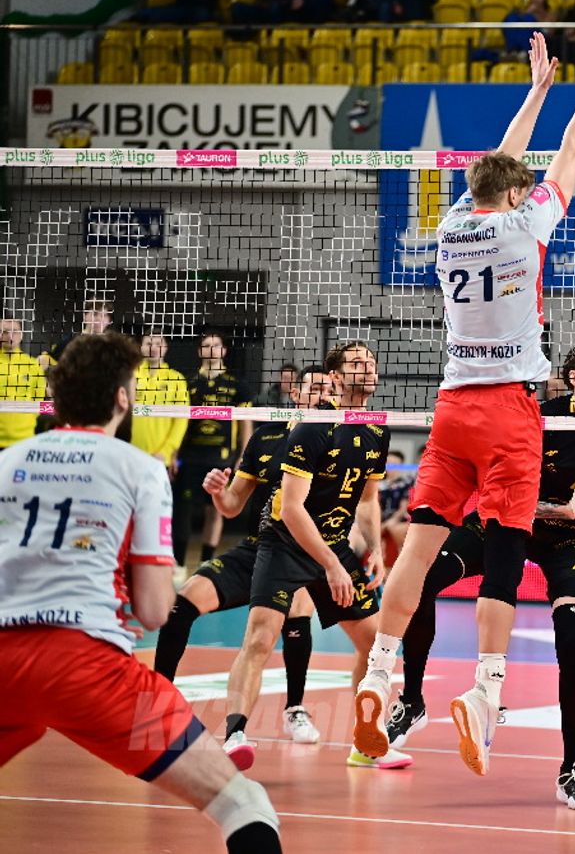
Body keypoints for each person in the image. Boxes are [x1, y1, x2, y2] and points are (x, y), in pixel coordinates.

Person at [354, 25, 575, 775]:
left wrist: (534, 92)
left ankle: (379, 673)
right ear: (516, 196)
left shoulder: (452, 226)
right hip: (508, 412)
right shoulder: (527, 223)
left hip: (452, 408)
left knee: (421, 543)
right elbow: (573, 151)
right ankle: (485, 691)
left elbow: (498, 165)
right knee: (504, 554)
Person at [0, 333, 283, 853]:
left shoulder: (8, 461)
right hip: (86, 664)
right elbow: (155, 611)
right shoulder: (140, 469)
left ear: (55, 396)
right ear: (122, 398)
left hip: (3, 657)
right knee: (243, 804)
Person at [386, 343, 575, 808]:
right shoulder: (541, 420)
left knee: (573, 641)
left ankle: (571, 767)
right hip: (509, 523)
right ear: (574, 379)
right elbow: (504, 498)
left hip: (574, 542)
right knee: (422, 581)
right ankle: (412, 700)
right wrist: (565, 509)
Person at [222, 342, 394, 771]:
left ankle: (365, 742)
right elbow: (293, 509)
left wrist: (374, 547)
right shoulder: (313, 427)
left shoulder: (377, 430)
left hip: (335, 545)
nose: (368, 367)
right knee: (260, 637)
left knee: (375, 645)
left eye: (371, 361)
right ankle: (235, 735)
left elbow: (367, 499)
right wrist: (332, 565)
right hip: (286, 544)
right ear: (336, 377)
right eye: (356, 362)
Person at [153, 367, 338, 757]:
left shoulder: (340, 442)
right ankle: (159, 701)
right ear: (296, 394)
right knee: (181, 604)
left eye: (328, 388)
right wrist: (219, 493)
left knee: (295, 612)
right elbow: (234, 505)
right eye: (315, 387)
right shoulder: (266, 437)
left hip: (301, 550)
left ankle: (294, 708)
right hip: (257, 546)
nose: (322, 394)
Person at [175, 331, 253, 567]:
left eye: (216, 345)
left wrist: (243, 456)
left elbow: (245, 424)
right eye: (206, 345)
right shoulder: (187, 384)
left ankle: (205, 562)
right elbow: (178, 422)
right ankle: (178, 564)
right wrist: (174, 453)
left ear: (224, 351)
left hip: (221, 458)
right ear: (200, 351)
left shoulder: (237, 385)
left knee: (215, 510)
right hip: (190, 456)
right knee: (183, 510)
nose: (211, 349)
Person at [131, 333, 189, 474]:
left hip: (161, 459)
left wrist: (166, 451)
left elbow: (181, 419)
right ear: (141, 347)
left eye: (158, 344)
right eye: (149, 344)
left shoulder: (176, 379)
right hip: (129, 456)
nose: (154, 348)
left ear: (166, 347)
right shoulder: (130, 375)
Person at [0, 318, 45, 450]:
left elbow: (39, 401)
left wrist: (26, 420)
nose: (10, 336)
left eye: (15, 331)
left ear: (21, 335)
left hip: (25, 440)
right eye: (5, 332)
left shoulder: (33, 365)